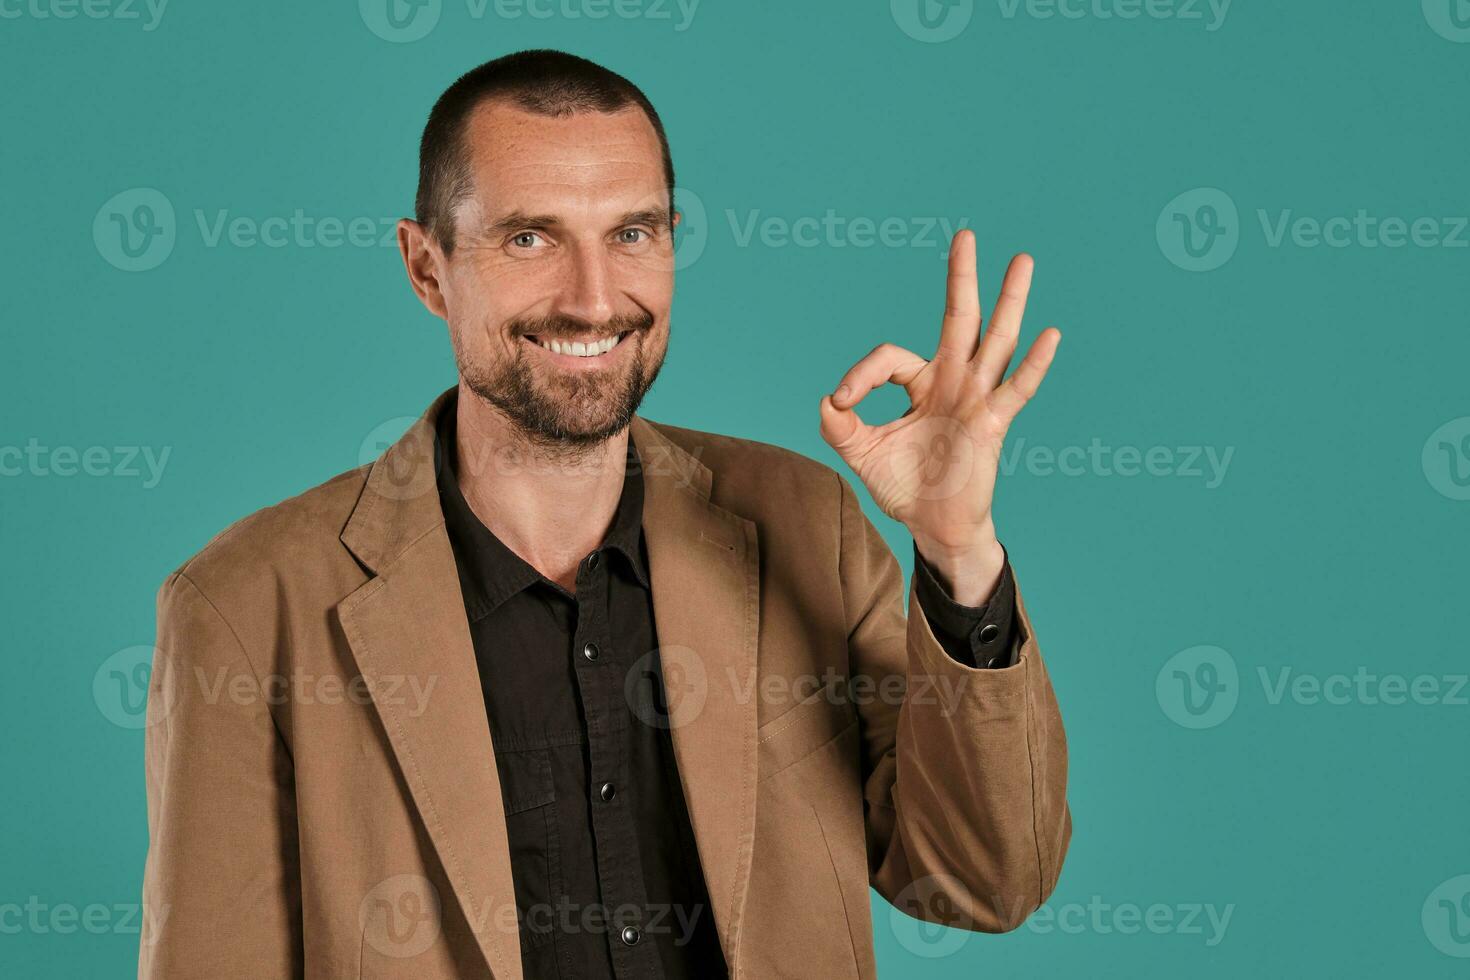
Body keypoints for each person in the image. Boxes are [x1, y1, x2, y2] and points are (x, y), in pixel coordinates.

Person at [139, 48, 1070, 980]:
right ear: (428, 269)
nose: (593, 300)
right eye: (530, 238)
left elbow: (983, 883)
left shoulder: (803, 524)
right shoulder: (243, 610)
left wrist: (957, 550)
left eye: (633, 234)